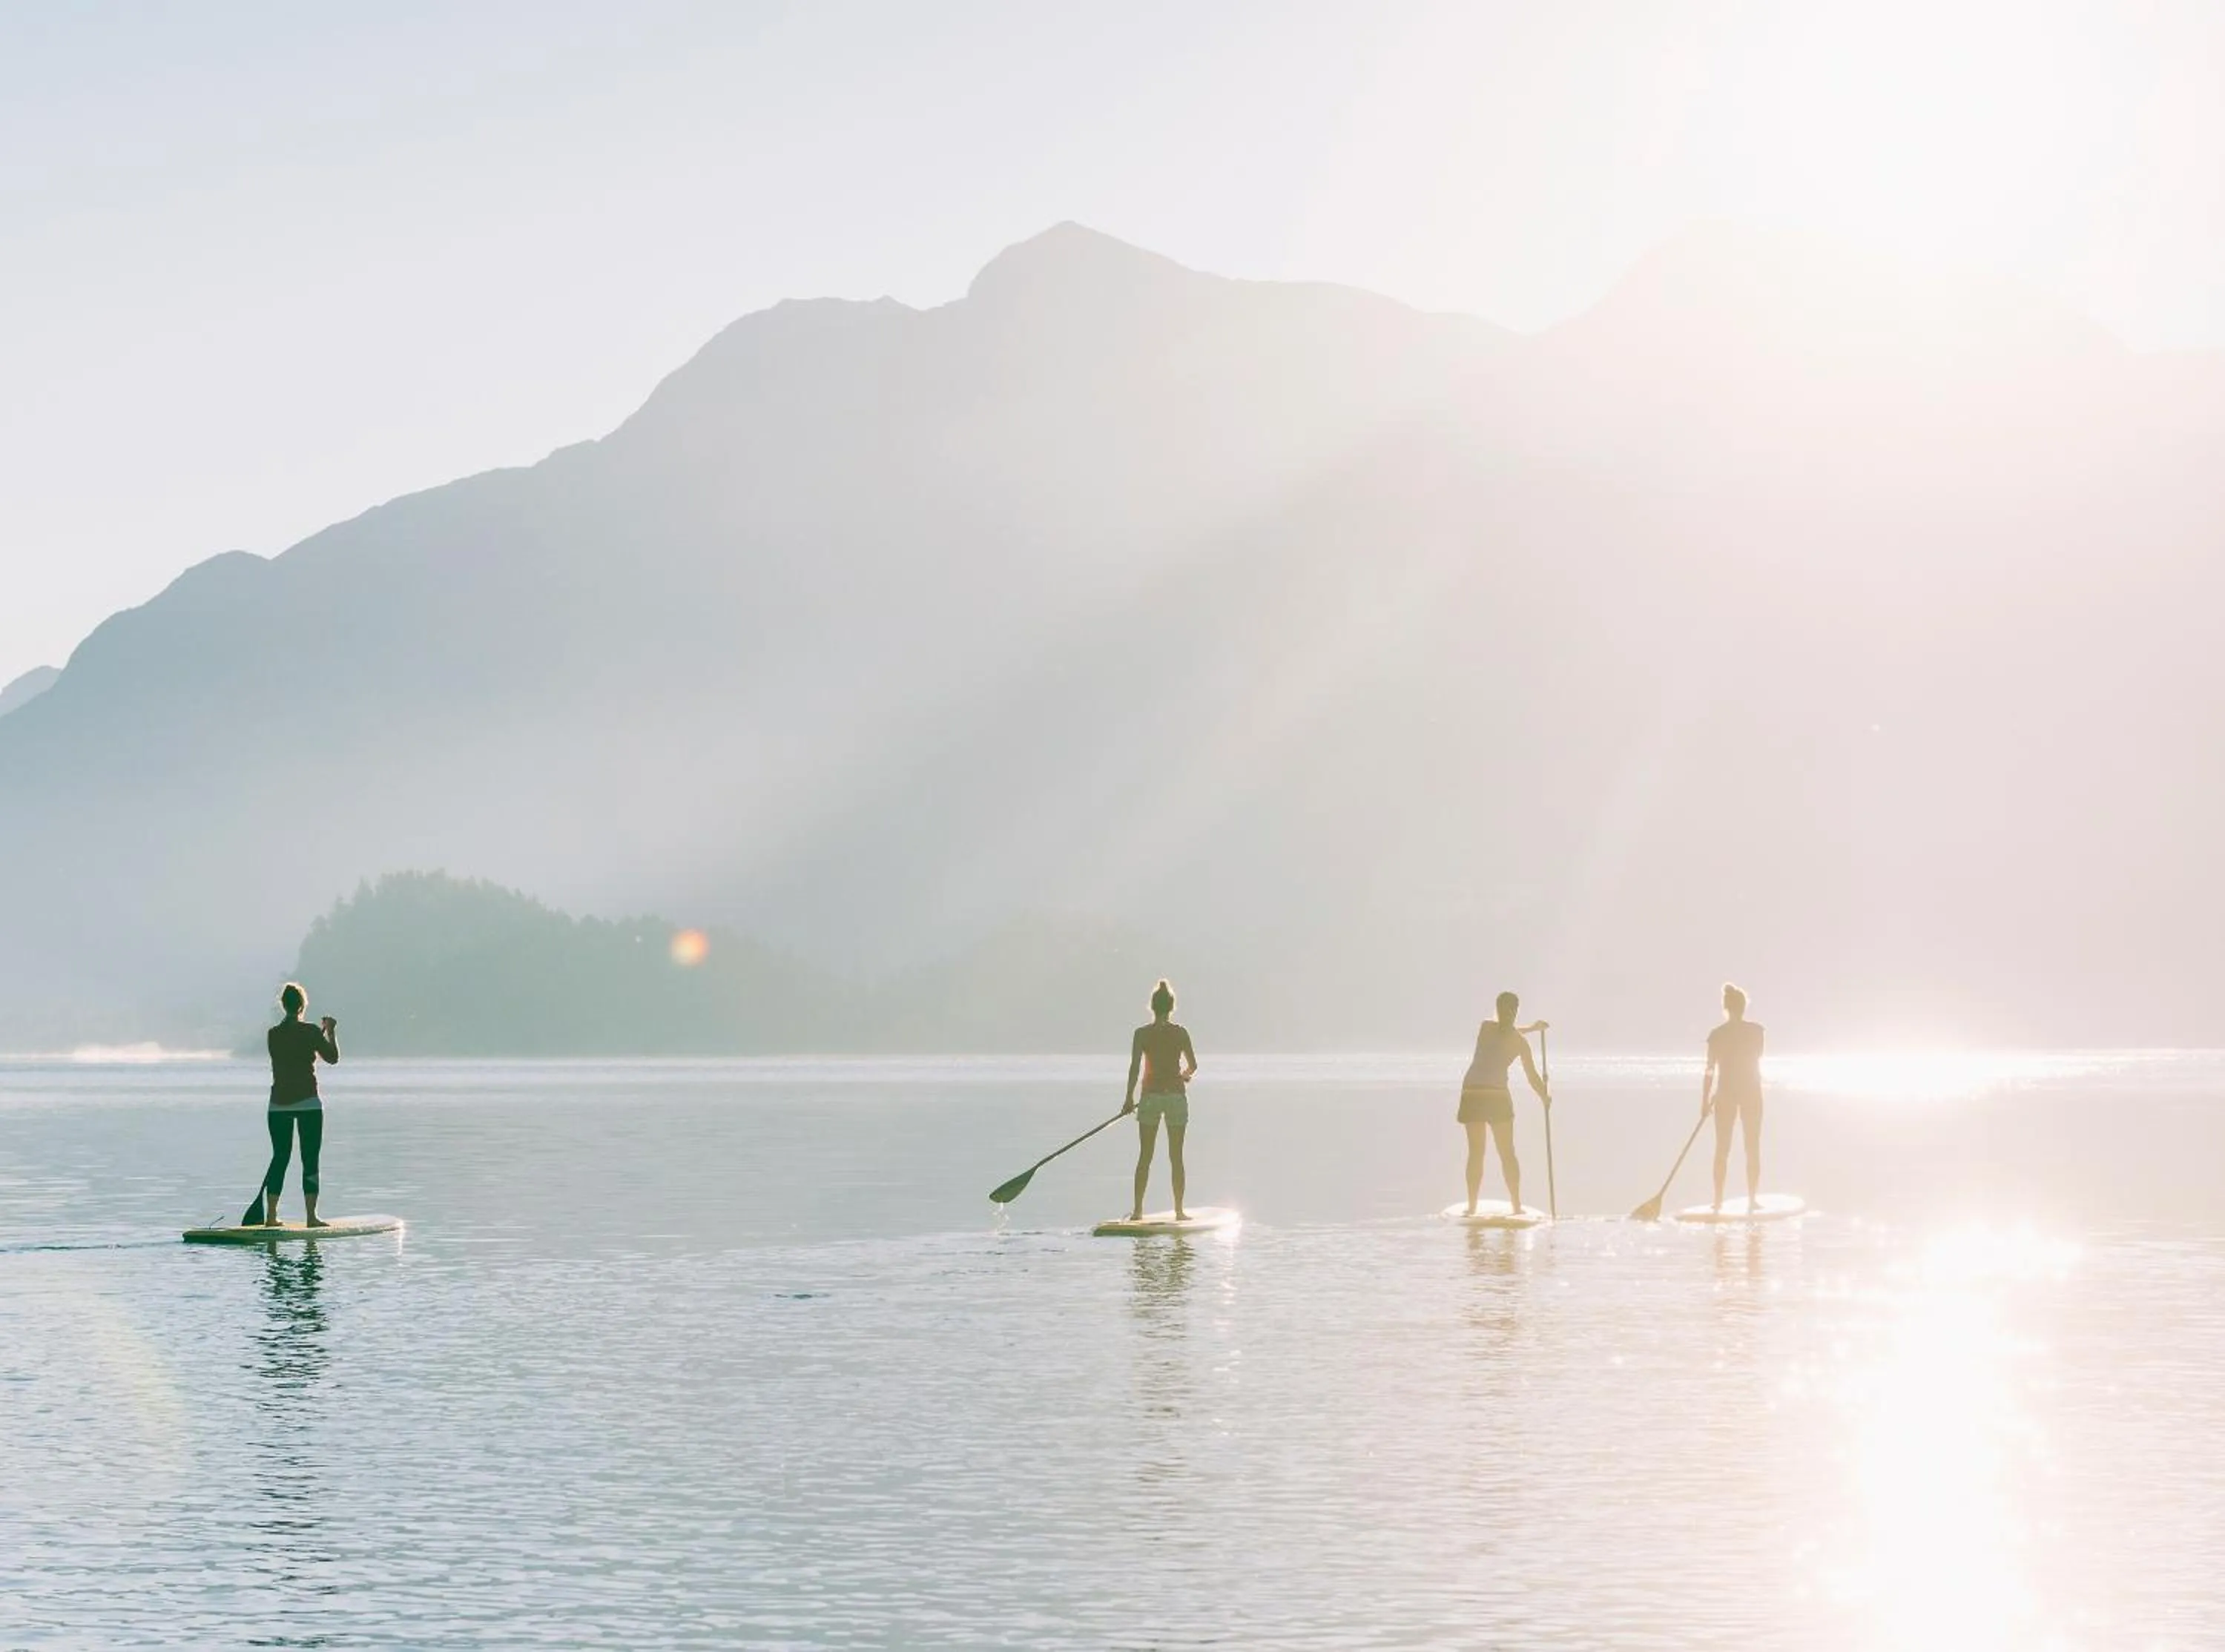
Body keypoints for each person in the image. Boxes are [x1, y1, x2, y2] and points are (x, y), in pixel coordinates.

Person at [1457, 991, 1550, 1216]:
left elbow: (1507, 1030)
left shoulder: (1486, 1028)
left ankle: (1473, 1206)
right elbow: (1532, 1077)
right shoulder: (1519, 1042)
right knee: (1506, 1152)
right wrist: (1545, 1097)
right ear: (1514, 1010)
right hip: (1492, 1095)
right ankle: (1515, 1206)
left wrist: (1544, 1095)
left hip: (1474, 1091)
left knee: (1478, 1152)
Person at [263, 982, 339, 1227]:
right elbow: (333, 1058)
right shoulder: (311, 1032)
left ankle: (271, 1216)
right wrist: (330, 1032)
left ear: (283, 1005)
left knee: (280, 1158)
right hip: (308, 1103)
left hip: (279, 1104)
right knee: (310, 1159)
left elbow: (289, 1051)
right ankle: (311, 1217)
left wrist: (314, 1035)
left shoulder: (273, 1034)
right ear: (303, 1005)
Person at [1122, 979, 1198, 1222]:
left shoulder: (1141, 1034)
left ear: (1152, 1007)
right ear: (1171, 1006)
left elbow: (1135, 1069)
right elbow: (1193, 1065)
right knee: (1176, 1156)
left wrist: (1128, 1099)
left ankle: (1137, 1211)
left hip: (1150, 1098)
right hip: (1175, 1097)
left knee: (1145, 1155)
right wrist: (1184, 1076)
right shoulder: (1181, 1033)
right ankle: (1179, 1211)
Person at [1703, 982, 1765, 1213]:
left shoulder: (1716, 1035)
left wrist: (1705, 1099)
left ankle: (1718, 1201)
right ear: (1743, 1007)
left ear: (1726, 1007)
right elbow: (1757, 1057)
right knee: (1752, 1146)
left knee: (1722, 1148)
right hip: (1750, 1092)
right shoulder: (1757, 1032)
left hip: (1725, 1093)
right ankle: (1751, 1200)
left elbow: (1710, 1069)